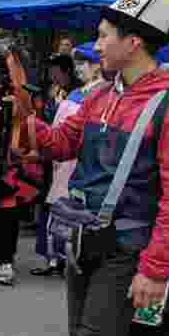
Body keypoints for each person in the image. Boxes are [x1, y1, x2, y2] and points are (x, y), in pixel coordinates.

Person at [31, 0, 169, 336]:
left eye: (103, 36)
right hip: (83, 237)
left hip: (127, 246)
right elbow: (60, 146)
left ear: (133, 42)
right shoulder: (100, 95)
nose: (96, 47)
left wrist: (156, 270)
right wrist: (26, 117)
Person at [32, 43, 104, 277]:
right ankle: (56, 258)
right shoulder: (74, 94)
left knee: (76, 210)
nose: (80, 69)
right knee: (59, 207)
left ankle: (72, 256)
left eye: (86, 63)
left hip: (83, 163)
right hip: (63, 158)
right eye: (78, 64)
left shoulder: (104, 95)